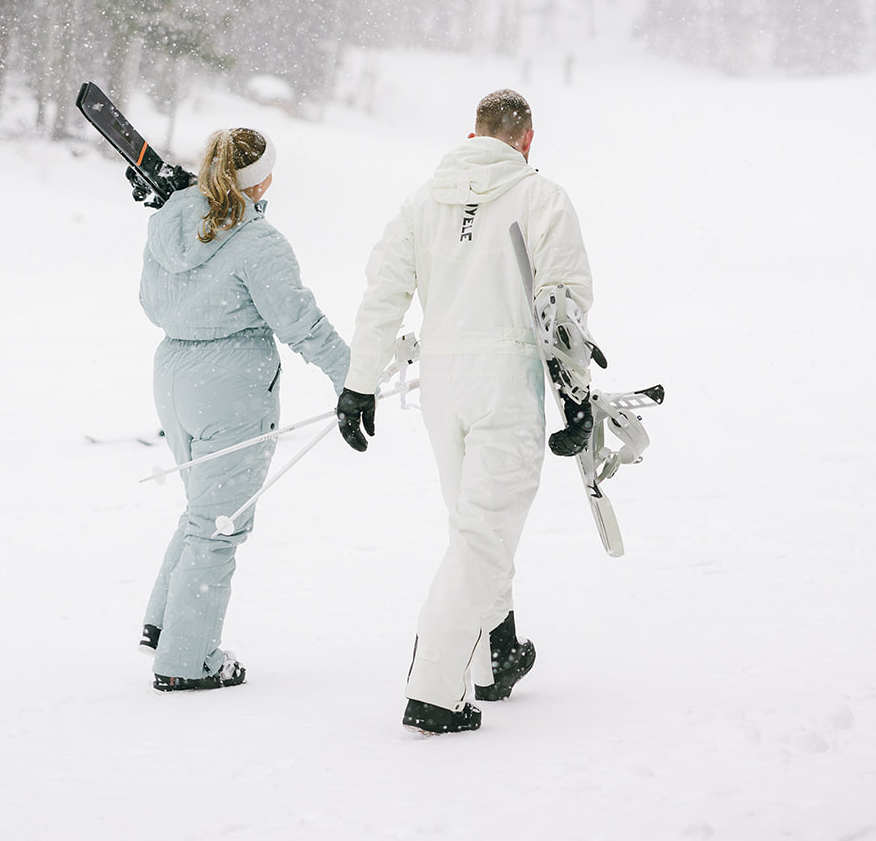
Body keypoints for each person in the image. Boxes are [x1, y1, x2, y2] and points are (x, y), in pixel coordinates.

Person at [337, 89, 594, 735]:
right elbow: (561, 306)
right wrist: (576, 397)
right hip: (503, 377)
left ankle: (493, 657)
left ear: (474, 133)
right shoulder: (541, 198)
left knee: (474, 526)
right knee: (483, 532)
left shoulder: (423, 202)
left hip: (442, 383)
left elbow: (383, 289)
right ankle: (433, 689)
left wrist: (359, 382)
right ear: (526, 139)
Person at [139, 127, 349, 692]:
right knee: (220, 524)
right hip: (230, 384)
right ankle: (187, 659)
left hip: (173, 375)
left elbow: (149, 300)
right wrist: (354, 380)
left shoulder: (169, 222)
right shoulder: (260, 243)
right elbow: (301, 323)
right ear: (262, 179)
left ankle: (167, 623)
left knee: (202, 508)